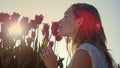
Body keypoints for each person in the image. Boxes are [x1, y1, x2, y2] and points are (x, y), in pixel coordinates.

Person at [40, 3, 115, 68]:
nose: (59, 22)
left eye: (66, 16)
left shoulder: (85, 51)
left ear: (79, 22)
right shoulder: (94, 51)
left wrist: (52, 67)